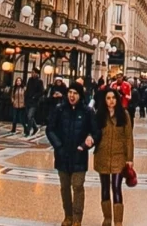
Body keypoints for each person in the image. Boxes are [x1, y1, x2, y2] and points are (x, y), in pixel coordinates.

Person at [47, 82, 100, 226]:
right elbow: (50, 129)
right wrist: (58, 146)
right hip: (62, 155)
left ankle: (77, 218)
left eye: (75, 93)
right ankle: (68, 216)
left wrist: (88, 142)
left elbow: (96, 132)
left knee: (77, 186)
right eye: (70, 92)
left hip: (79, 155)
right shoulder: (59, 109)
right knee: (64, 187)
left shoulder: (87, 112)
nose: (72, 95)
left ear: (80, 95)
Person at [94, 89, 134, 226]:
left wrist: (129, 158)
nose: (111, 101)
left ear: (117, 99)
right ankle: (107, 218)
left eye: (113, 98)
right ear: (104, 100)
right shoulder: (99, 115)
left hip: (119, 156)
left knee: (116, 187)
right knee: (104, 187)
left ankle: (118, 221)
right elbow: (94, 133)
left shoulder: (124, 115)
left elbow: (129, 137)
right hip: (102, 155)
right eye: (108, 98)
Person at [25, 69, 45, 136]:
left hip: (34, 102)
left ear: (37, 73)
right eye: (31, 72)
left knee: (30, 116)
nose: (32, 74)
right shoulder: (30, 80)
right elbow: (27, 89)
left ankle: (28, 131)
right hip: (28, 101)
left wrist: (35, 96)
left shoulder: (40, 81)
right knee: (30, 116)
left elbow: (41, 92)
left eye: (33, 72)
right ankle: (35, 128)